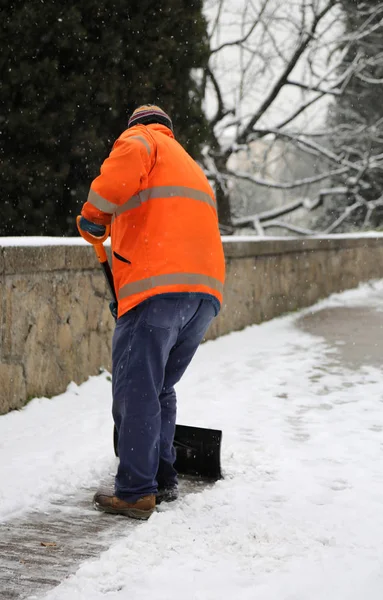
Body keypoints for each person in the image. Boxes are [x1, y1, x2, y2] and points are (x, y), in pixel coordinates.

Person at [78, 105, 225, 519]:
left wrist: (93, 216)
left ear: (137, 126)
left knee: (137, 390)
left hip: (157, 288)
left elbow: (116, 177)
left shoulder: (142, 141)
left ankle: (135, 491)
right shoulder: (191, 166)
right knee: (159, 387)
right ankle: (162, 479)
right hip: (204, 294)